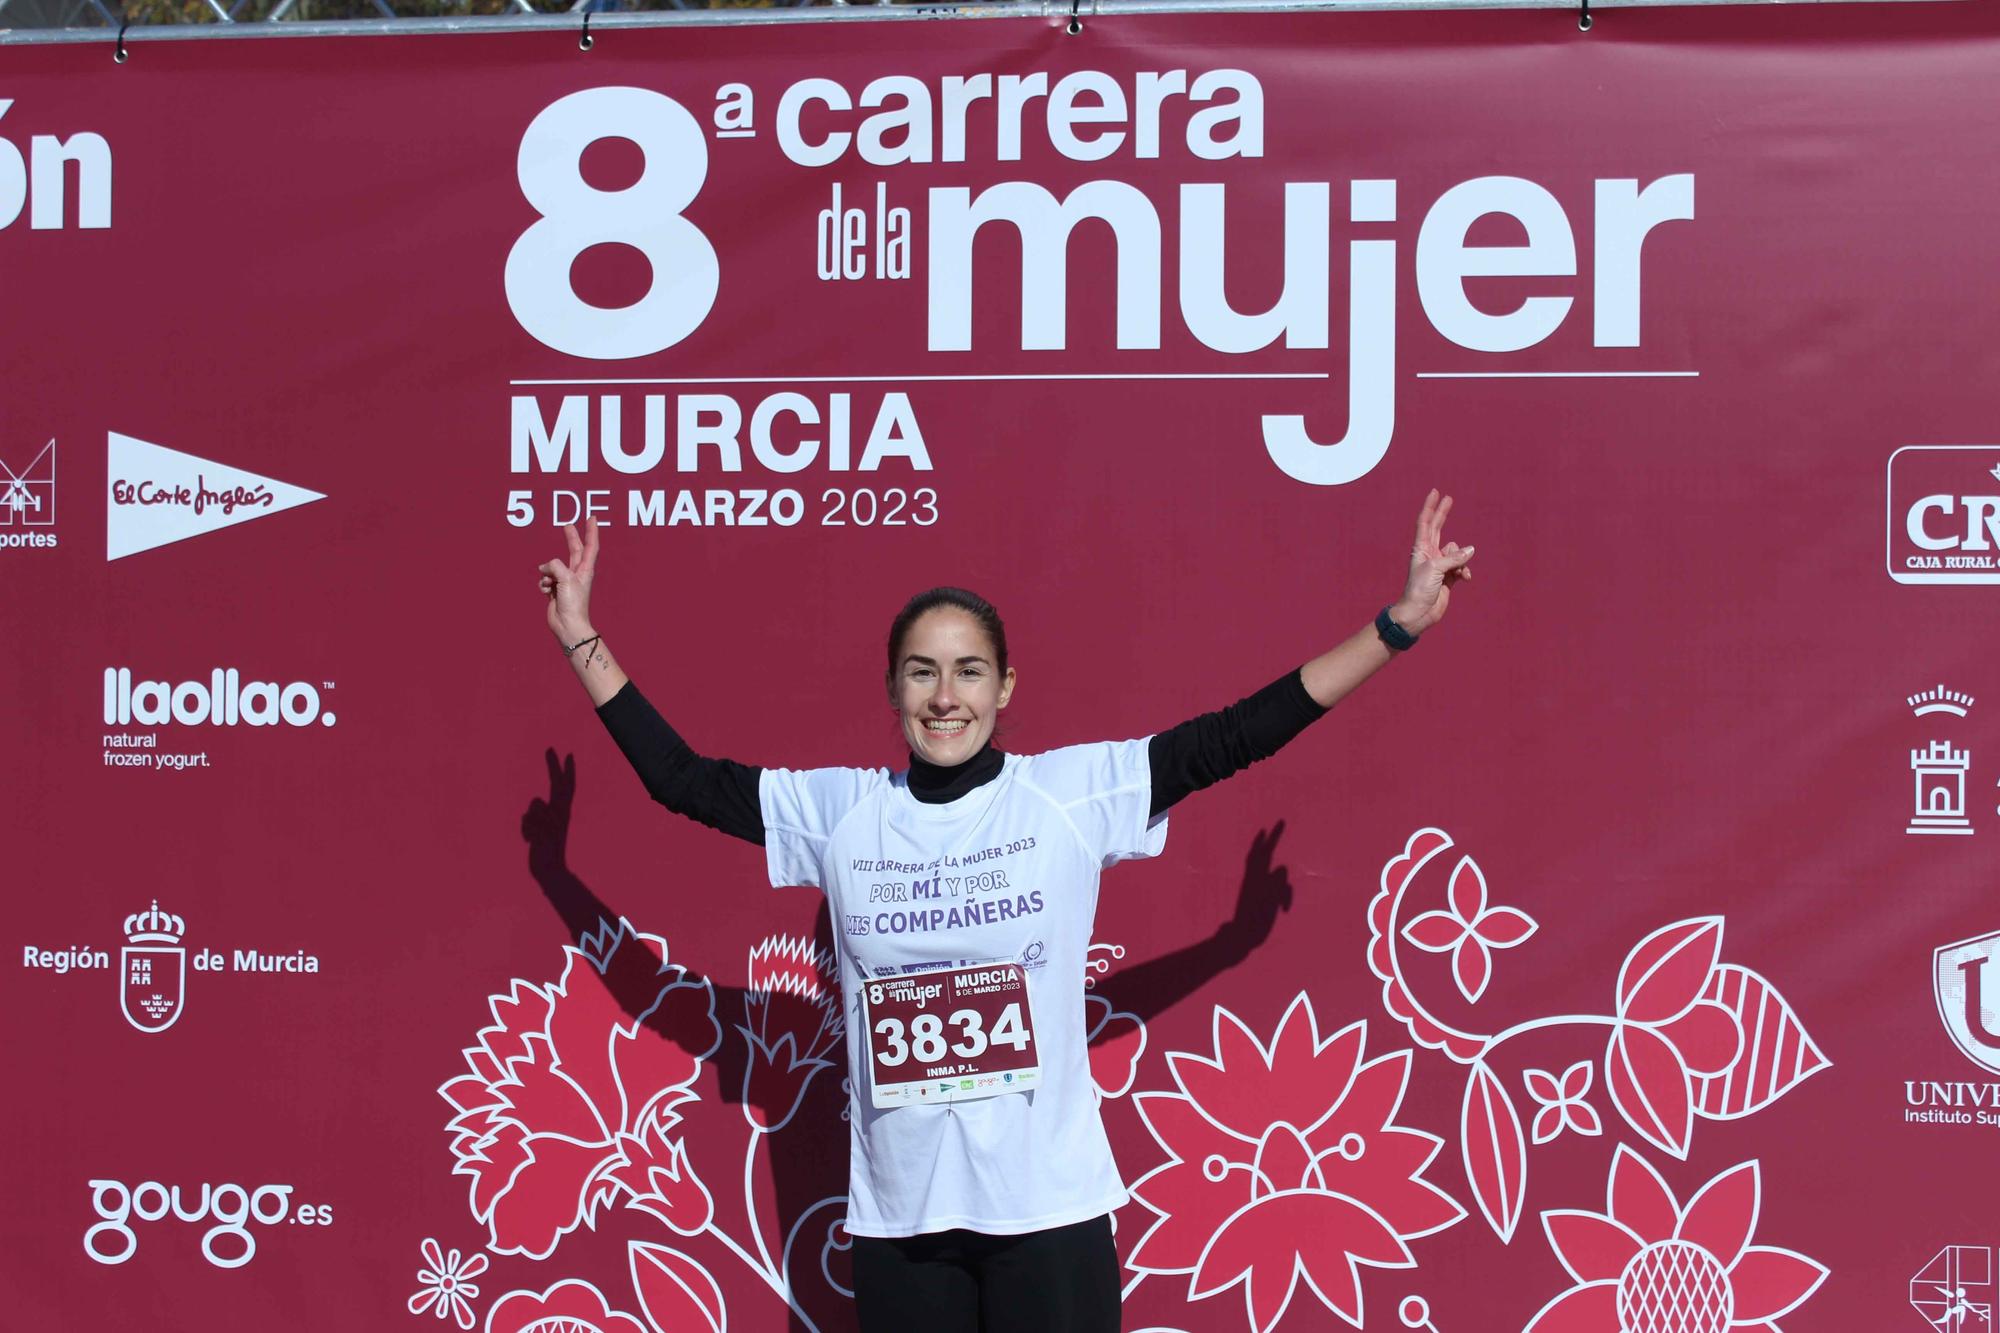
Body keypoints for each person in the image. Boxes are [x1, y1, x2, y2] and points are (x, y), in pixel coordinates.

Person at [536, 491, 1475, 1333]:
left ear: (1005, 686)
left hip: (1048, 1217)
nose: (946, 697)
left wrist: (1393, 628)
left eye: (969, 671)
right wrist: (581, 634)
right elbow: (683, 782)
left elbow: (1234, 737)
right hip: (904, 1225)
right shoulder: (842, 811)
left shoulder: (1067, 795)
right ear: (894, 688)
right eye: (921, 672)